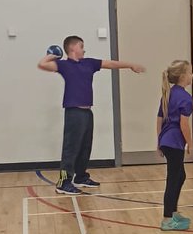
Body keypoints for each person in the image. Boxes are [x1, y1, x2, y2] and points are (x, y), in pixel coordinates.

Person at [38, 36, 145, 196]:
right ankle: (64, 183)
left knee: (85, 146)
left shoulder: (89, 63)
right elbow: (42, 64)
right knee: (71, 148)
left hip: (87, 112)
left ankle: (80, 177)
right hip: (74, 112)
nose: (84, 49)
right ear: (73, 48)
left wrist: (130, 65)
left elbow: (110, 64)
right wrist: (53, 54)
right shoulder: (64, 65)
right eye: (81, 46)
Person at [157, 59, 193, 231]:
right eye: (190, 72)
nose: (192, 75)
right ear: (183, 76)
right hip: (174, 143)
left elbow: (159, 118)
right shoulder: (185, 98)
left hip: (166, 140)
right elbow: (184, 125)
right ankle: (167, 218)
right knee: (173, 179)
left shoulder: (168, 93)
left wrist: (159, 141)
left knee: (180, 176)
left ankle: (174, 211)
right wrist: (190, 144)